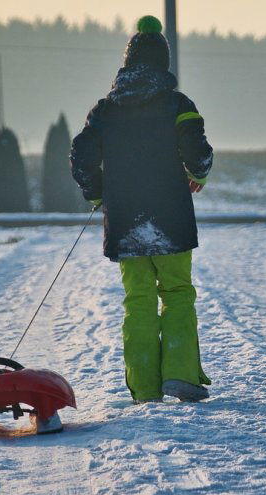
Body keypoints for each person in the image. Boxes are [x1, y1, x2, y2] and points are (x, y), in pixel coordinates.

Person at [70, 16, 214, 404]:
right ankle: (181, 376)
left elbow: (81, 153)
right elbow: (198, 153)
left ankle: (145, 388)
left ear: (128, 63)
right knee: (178, 293)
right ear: (163, 64)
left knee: (138, 300)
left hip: (124, 219)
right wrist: (196, 173)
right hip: (171, 217)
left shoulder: (105, 110)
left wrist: (97, 193)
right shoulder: (178, 104)